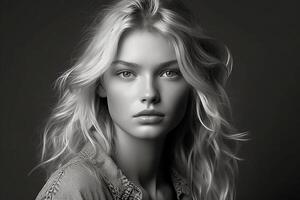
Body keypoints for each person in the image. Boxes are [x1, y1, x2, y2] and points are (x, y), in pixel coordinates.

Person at [35, 0, 245, 199]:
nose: (149, 94)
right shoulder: (78, 189)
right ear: (100, 84)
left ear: (192, 82)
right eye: (127, 73)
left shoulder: (186, 187)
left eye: (169, 73)